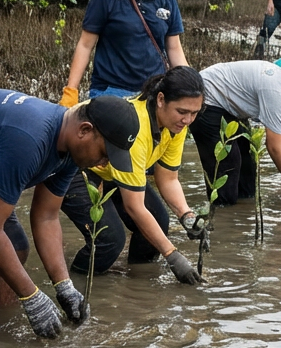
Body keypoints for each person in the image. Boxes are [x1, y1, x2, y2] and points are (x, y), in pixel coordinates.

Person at [0, 91, 139, 337]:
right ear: (84, 130)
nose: (103, 164)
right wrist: (33, 297)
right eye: (104, 154)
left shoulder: (71, 149)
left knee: (17, 247)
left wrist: (64, 286)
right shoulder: (30, 138)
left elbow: (47, 217)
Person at [61, 67, 206, 286]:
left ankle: (137, 284)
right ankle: (75, 283)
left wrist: (187, 216)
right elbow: (134, 207)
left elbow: (168, 178)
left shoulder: (175, 126)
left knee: (159, 220)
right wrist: (173, 256)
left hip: (112, 169)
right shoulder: (137, 128)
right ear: (160, 99)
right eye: (182, 112)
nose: (188, 120)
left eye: (194, 113)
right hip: (79, 163)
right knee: (109, 239)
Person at [60, 0, 188, 106]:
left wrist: (189, 86)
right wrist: (71, 91)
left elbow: (174, 48)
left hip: (154, 93)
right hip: (112, 92)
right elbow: (85, 45)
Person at [193, 59, 281, 209]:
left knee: (248, 164)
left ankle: (240, 218)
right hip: (207, 98)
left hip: (231, 107)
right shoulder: (278, 93)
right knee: (228, 163)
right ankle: (223, 216)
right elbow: (275, 148)